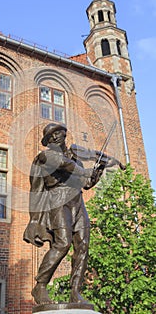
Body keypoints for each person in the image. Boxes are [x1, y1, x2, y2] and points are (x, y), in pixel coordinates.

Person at [23, 123, 123, 304]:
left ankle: (75, 291)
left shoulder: (75, 159)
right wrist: (85, 171)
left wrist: (99, 167)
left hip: (77, 200)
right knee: (62, 243)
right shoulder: (46, 156)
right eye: (49, 137)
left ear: (64, 135)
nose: (54, 138)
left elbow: (86, 183)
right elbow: (65, 165)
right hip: (58, 199)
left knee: (83, 245)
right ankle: (40, 285)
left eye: (57, 134)